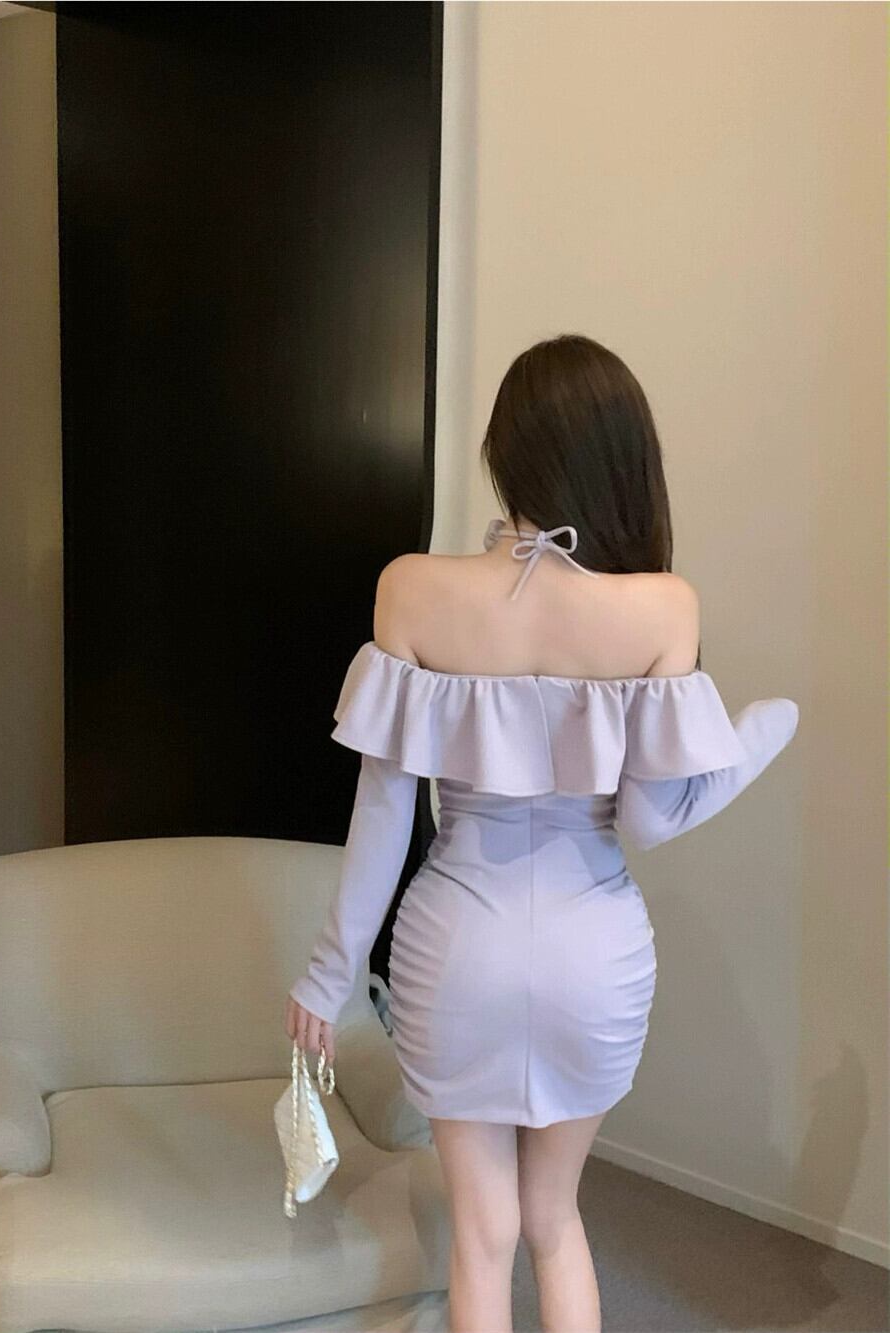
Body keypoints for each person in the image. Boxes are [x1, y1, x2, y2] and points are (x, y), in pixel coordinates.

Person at [284, 333, 799, 1333]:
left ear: (504, 452)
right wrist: (743, 747)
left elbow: (384, 812)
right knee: (555, 1219)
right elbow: (650, 816)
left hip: (454, 949)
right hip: (592, 954)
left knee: (482, 1234)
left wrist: (328, 971)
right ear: (623, 459)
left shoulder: (411, 587)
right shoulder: (661, 607)